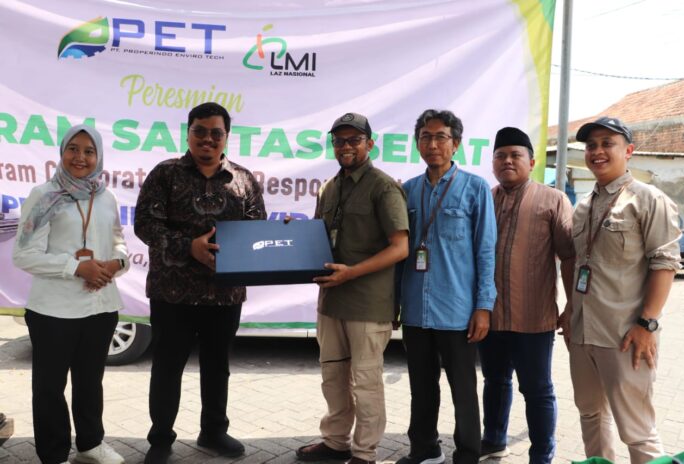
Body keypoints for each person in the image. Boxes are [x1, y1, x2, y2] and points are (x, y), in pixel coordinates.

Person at [134, 102, 266, 464]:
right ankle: (161, 438)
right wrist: (188, 247)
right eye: (200, 131)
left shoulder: (243, 179)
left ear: (226, 136)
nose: (208, 139)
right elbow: (145, 224)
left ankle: (213, 431)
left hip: (224, 294)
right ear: (188, 133)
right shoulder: (165, 174)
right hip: (172, 293)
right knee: (167, 366)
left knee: (217, 366)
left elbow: (257, 230)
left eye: (216, 133)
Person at [558, 117, 681, 464]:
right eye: (591, 145)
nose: (597, 151)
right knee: (590, 415)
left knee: (637, 430)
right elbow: (580, 265)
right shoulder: (583, 206)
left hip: (625, 335)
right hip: (583, 333)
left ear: (628, 151)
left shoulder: (648, 199)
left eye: (607, 143)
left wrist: (647, 324)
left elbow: (665, 263)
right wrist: (570, 310)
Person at [295, 112, 409, 464]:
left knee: (365, 382)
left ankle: (364, 452)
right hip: (332, 301)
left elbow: (400, 248)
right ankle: (335, 442)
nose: (346, 146)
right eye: (339, 141)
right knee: (333, 377)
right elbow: (318, 238)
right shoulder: (329, 188)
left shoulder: (383, 187)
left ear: (369, 144)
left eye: (354, 140)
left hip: (368, 304)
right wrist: (290, 236)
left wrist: (352, 273)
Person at [13, 124, 130, 464]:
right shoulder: (44, 196)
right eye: (73, 149)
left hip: (100, 306)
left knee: (90, 382)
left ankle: (91, 444)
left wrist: (115, 263)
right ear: (62, 152)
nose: (80, 157)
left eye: (89, 151)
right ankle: (54, 454)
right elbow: (24, 255)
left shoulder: (106, 197)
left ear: (99, 156)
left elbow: (119, 243)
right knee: (50, 387)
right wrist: (76, 267)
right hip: (54, 311)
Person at [395, 109, 496, 464]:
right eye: (425, 137)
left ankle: (468, 454)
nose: (433, 144)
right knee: (421, 387)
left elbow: (486, 251)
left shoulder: (475, 188)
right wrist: (394, 303)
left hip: (458, 310)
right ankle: (425, 450)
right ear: (417, 143)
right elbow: (398, 253)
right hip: (415, 309)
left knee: (464, 390)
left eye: (441, 137)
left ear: (456, 144)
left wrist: (483, 306)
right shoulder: (407, 191)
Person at [478, 127, 575, 463]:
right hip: (490, 315)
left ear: (531, 162)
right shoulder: (485, 199)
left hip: (534, 317)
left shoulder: (553, 200)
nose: (507, 161)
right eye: (500, 155)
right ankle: (493, 440)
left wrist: (571, 306)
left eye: (515, 155)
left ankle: (542, 455)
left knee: (537, 389)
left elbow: (570, 256)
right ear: (493, 162)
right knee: (494, 380)